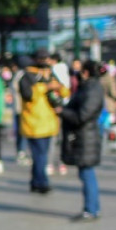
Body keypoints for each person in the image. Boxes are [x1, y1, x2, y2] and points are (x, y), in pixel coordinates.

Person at [60, 61, 105, 222]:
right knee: (85, 173)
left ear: (86, 72)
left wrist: (63, 112)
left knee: (87, 173)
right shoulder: (90, 87)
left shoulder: (92, 89)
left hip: (86, 136)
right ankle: (92, 208)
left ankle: (91, 209)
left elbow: (83, 115)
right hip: (85, 135)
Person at [19, 49, 68, 194]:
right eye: (42, 58)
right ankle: (42, 182)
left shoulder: (50, 74)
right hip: (34, 122)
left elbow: (64, 92)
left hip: (48, 121)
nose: (45, 61)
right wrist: (46, 87)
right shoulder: (27, 76)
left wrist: (59, 87)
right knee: (40, 154)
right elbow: (28, 95)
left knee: (40, 155)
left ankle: (35, 181)